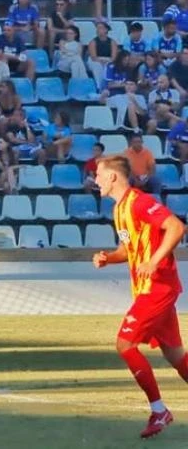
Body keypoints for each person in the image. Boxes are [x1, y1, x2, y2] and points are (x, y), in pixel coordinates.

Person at [92, 155, 187, 439]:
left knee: (125, 344)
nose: (95, 180)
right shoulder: (119, 209)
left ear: (112, 177)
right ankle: (159, 411)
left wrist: (155, 261)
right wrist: (108, 258)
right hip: (148, 287)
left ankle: (159, 411)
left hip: (158, 287)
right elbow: (128, 249)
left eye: (98, 174)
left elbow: (176, 227)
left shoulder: (140, 202)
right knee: (175, 354)